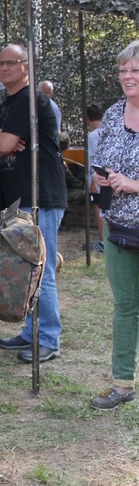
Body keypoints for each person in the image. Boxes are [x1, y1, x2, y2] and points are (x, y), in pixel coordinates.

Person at [0, 46, 67, 363]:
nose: (5, 67)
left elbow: (3, 145)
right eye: (1, 62)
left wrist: (0, 139)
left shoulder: (30, 100)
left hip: (40, 197)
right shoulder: (7, 105)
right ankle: (31, 331)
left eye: (12, 62)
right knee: (25, 267)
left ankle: (48, 337)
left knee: (40, 268)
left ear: (27, 67)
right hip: (20, 197)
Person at [90, 42, 139, 410]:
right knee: (125, 307)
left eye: (135, 70)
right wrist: (103, 179)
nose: (127, 77)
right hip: (119, 227)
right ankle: (122, 385)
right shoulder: (112, 114)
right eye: (123, 71)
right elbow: (101, 161)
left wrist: (135, 184)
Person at [87, 103, 105, 252]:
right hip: (103, 179)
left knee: (98, 209)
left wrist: (93, 183)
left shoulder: (93, 136)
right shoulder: (108, 132)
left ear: (88, 119)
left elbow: (98, 160)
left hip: (97, 180)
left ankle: (102, 241)